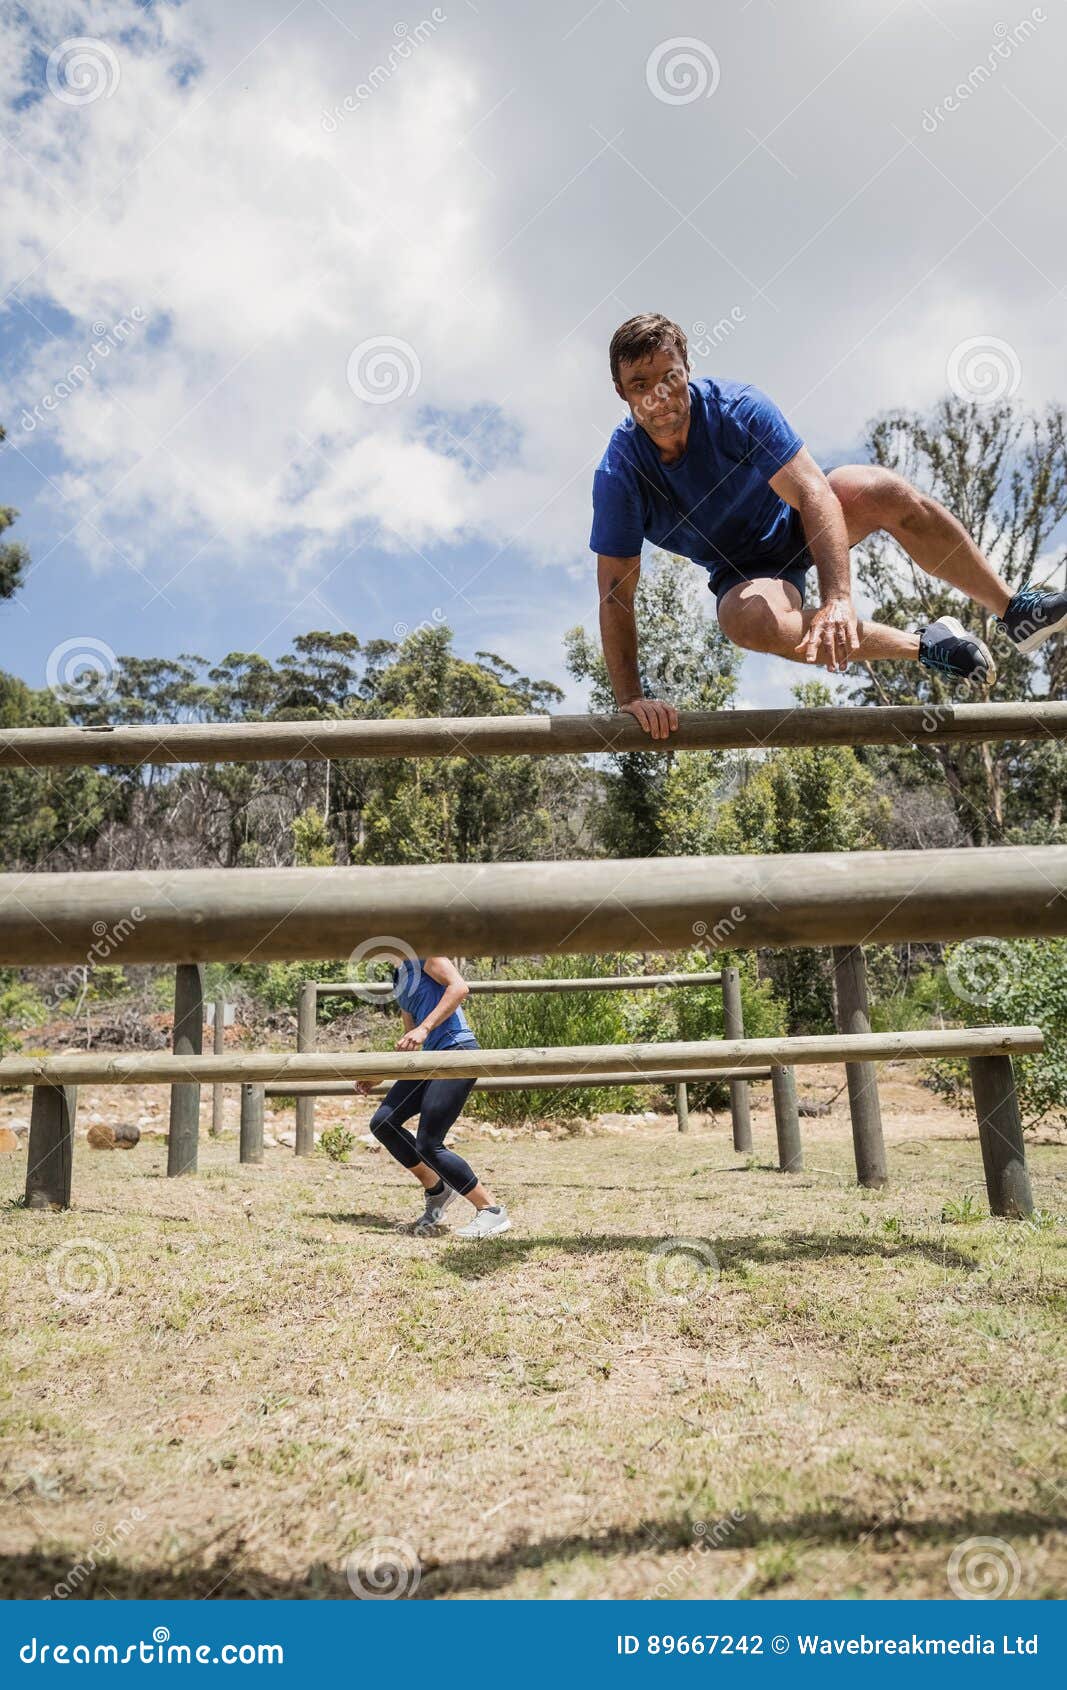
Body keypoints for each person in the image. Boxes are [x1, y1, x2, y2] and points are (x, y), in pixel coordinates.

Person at [591, 312, 1067, 738]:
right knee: (748, 622)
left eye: (669, 376)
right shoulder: (621, 475)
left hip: (799, 520)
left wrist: (838, 598)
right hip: (746, 574)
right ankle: (927, 646)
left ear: (686, 368)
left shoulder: (737, 408)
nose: (659, 396)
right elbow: (616, 593)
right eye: (640, 385)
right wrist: (630, 698)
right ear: (621, 391)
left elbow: (814, 491)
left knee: (879, 490)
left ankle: (1014, 610)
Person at [354, 955, 510, 1239]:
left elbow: (459, 987)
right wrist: (380, 1075)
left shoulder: (426, 955)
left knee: (429, 1144)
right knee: (384, 1122)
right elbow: (410, 1038)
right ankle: (438, 1190)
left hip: (457, 1052)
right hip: (428, 1061)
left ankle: (491, 1211)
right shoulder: (399, 978)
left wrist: (425, 1028)